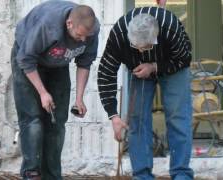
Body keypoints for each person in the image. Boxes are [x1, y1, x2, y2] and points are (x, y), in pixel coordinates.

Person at [97, 7, 193, 180]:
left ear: (155, 37)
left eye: (146, 47)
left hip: (172, 65)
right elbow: (106, 73)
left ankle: (181, 173)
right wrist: (113, 115)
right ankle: (142, 175)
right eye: (136, 47)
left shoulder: (170, 28)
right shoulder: (119, 35)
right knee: (137, 120)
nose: (141, 51)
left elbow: (184, 58)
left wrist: (154, 66)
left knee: (178, 117)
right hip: (137, 68)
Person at [11, 1, 99, 179]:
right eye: (79, 35)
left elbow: (84, 63)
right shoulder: (48, 25)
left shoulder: (91, 31)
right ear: (69, 24)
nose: (83, 40)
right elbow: (26, 59)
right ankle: (32, 172)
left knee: (57, 122)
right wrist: (43, 93)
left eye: (86, 37)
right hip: (28, 62)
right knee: (33, 119)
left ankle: (52, 175)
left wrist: (79, 98)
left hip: (58, 64)